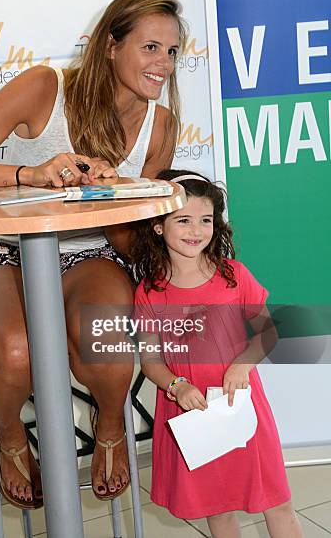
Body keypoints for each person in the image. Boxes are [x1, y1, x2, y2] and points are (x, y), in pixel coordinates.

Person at [0, 0, 187, 507]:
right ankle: (11, 435)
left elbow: (133, 244)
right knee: (17, 352)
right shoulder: (45, 86)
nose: (164, 65)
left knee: (109, 350)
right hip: (9, 252)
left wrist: (111, 199)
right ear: (110, 45)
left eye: (173, 52)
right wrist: (30, 175)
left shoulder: (161, 127)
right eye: (151, 47)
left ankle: (110, 423)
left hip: (94, 255)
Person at [131, 170, 303, 537]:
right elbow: (150, 360)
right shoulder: (150, 291)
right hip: (193, 412)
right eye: (184, 220)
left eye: (205, 220)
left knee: (276, 501)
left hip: (240, 404)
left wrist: (242, 365)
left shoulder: (233, 276)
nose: (196, 230)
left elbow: (267, 333)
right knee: (217, 507)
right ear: (159, 226)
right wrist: (176, 385)